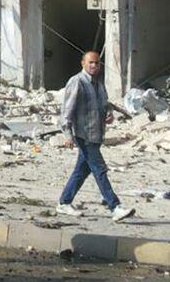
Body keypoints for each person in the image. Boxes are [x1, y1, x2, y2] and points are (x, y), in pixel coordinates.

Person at [56, 51, 134, 221]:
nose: (94, 66)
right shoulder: (77, 82)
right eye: (91, 62)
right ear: (83, 63)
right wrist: (67, 134)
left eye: (97, 63)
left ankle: (64, 202)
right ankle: (115, 206)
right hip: (83, 134)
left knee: (82, 170)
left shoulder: (98, 83)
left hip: (97, 133)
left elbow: (104, 105)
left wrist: (109, 114)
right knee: (100, 169)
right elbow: (67, 110)